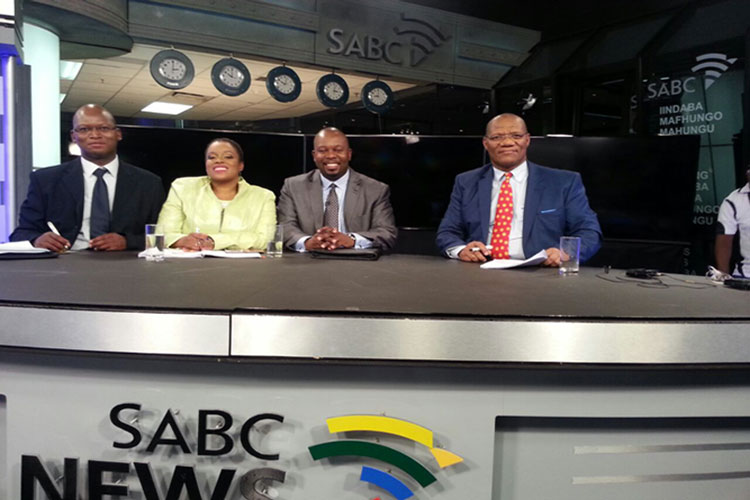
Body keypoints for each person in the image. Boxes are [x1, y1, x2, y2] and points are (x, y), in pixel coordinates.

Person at [436, 113, 601, 266]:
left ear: (527, 140)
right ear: (485, 143)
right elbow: (448, 232)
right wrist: (461, 251)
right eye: (497, 137)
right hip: (481, 269)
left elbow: (589, 231)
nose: (507, 142)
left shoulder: (563, 182)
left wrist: (565, 253)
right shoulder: (466, 182)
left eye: (516, 136)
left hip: (541, 273)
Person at [10, 104, 165, 252]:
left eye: (104, 128)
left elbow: (163, 235)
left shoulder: (149, 183)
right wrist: (37, 239)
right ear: (74, 136)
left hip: (126, 262)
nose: (95, 135)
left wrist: (128, 242)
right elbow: (22, 233)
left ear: (118, 134)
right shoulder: (45, 180)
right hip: (65, 262)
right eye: (84, 129)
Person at [277, 127, 397, 252]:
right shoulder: (293, 186)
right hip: (308, 259)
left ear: (349, 154)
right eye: (322, 150)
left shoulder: (375, 190)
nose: (330, 156)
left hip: (356, 261)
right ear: (314, 155)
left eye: (338, 150)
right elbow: (285, 226)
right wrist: (307, 242)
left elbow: (386, 232)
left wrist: (352, 240)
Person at [157, 138, 276, 251]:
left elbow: (267, 239)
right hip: (189, 263)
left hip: (243, 264)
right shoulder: (182, 188)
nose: (218, 161)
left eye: (228, 157)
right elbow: (162, 234)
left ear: (241, 165)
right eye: (212, 157)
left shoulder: (263, 196)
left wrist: (214, 241)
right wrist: (183, 241)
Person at [715, 168, 750, 276]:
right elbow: (724, 242)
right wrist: (723, 276)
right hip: (745, 275)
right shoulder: (734, 201)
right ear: (748, 174)